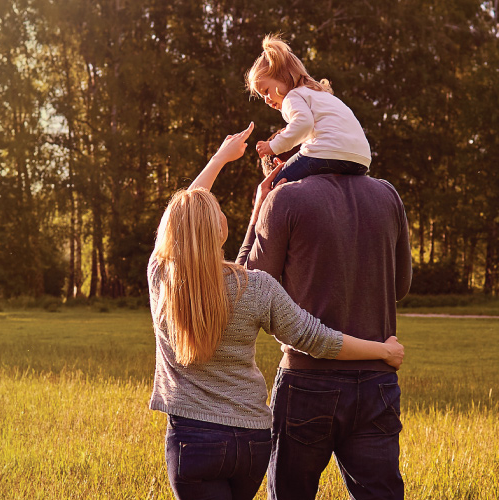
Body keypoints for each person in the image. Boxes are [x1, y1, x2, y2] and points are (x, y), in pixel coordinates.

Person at [148, 122, 405, 500]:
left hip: (193, 441)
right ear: (220, 229)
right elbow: (315, 337)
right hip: (251, 442)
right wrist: (382, 350)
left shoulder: (162, 279)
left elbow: (185, 214)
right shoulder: (254, 289)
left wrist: (221, 158)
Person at [236, 116, 413, 498]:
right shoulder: (388, 195)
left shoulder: (284, 199)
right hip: (377, 380)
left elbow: (247, 289)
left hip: (307, 381)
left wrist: (260, 209)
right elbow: (400, 287)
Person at [247, 35, 371, 186]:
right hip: (361, 158)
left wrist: (272, 146)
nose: (266, 100)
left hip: (328, 151)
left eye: (266, 91)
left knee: (278, 182)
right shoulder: (319, 95)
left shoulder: (292, 97)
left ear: (283, 77)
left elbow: (303, 124)